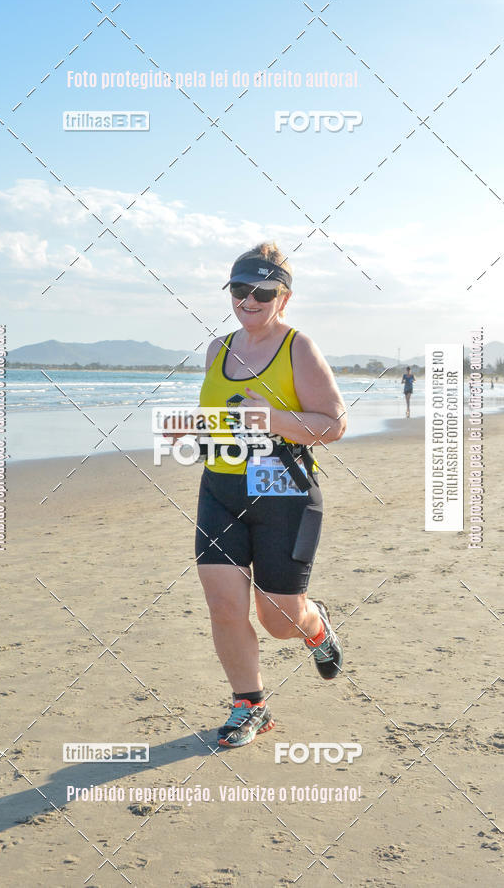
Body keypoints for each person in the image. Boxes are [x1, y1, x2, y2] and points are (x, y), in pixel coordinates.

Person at [187, 242, 346, 748]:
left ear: (284, 297)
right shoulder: (218, 349)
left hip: (284, 492)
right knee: (224, 606)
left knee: (278, 621)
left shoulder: (297, 347)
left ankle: (315, 626)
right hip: (221, 489)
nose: (249, 300)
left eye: (263, 292)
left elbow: (334, 425)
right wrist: (201, 431)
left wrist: (273, 419)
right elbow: (221, 416)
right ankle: (249, 704)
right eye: (239, 290)